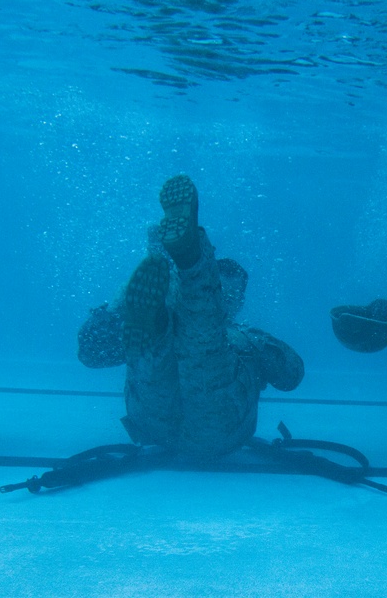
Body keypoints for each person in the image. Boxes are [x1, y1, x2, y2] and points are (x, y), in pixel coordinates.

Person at [78, 175, 304, 459]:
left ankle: (170, 282)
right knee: (204, 340)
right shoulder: (247, 336)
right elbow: (292, 375)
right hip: (221, 430)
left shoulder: (244, 334)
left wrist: (115, 310)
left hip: (150, 424)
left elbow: (91, 352)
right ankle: (189, 266)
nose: (227, 300)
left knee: (160, 350)